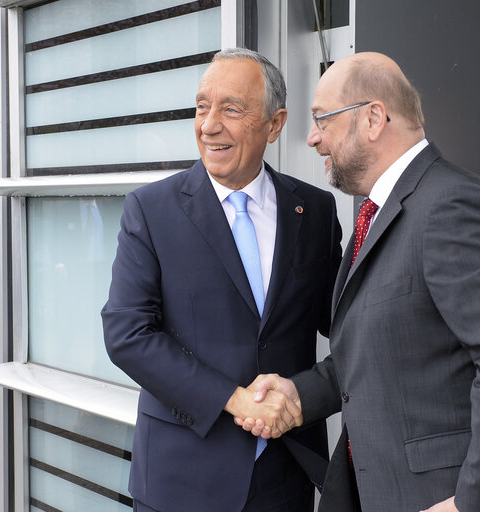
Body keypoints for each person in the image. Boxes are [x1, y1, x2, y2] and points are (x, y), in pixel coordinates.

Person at [238, 52, 480, 512]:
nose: (313, 137)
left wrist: (472, 503)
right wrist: (300, 394)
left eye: (322, 119)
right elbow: (386, 347)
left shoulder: (449, 206)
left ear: (374, 118)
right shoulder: (381, 211)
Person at [101, 48, 342, 512]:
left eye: (231, 109)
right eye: (201, 106)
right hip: (182, 479)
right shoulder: (151, 210)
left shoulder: (313, 210)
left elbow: (343, 321)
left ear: (275, 124)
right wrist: (234, 400)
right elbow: (127, 334)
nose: (209, 125)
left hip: (285, 474)